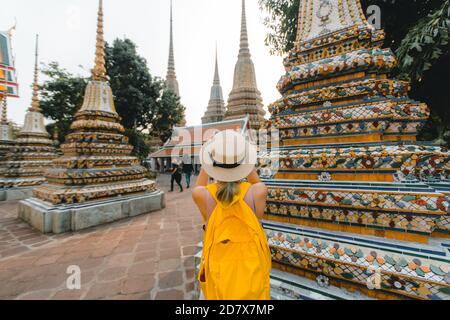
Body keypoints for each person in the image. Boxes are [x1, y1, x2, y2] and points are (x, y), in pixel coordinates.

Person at [192, 130, 271, 300]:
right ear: (245, 162)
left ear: (211, 163)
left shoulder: (202, 195)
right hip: (252, 265)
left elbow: (199, 185)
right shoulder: (258, 192)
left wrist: (209, 160)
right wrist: (243, 158)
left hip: (219, 266)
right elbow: (255, 180)